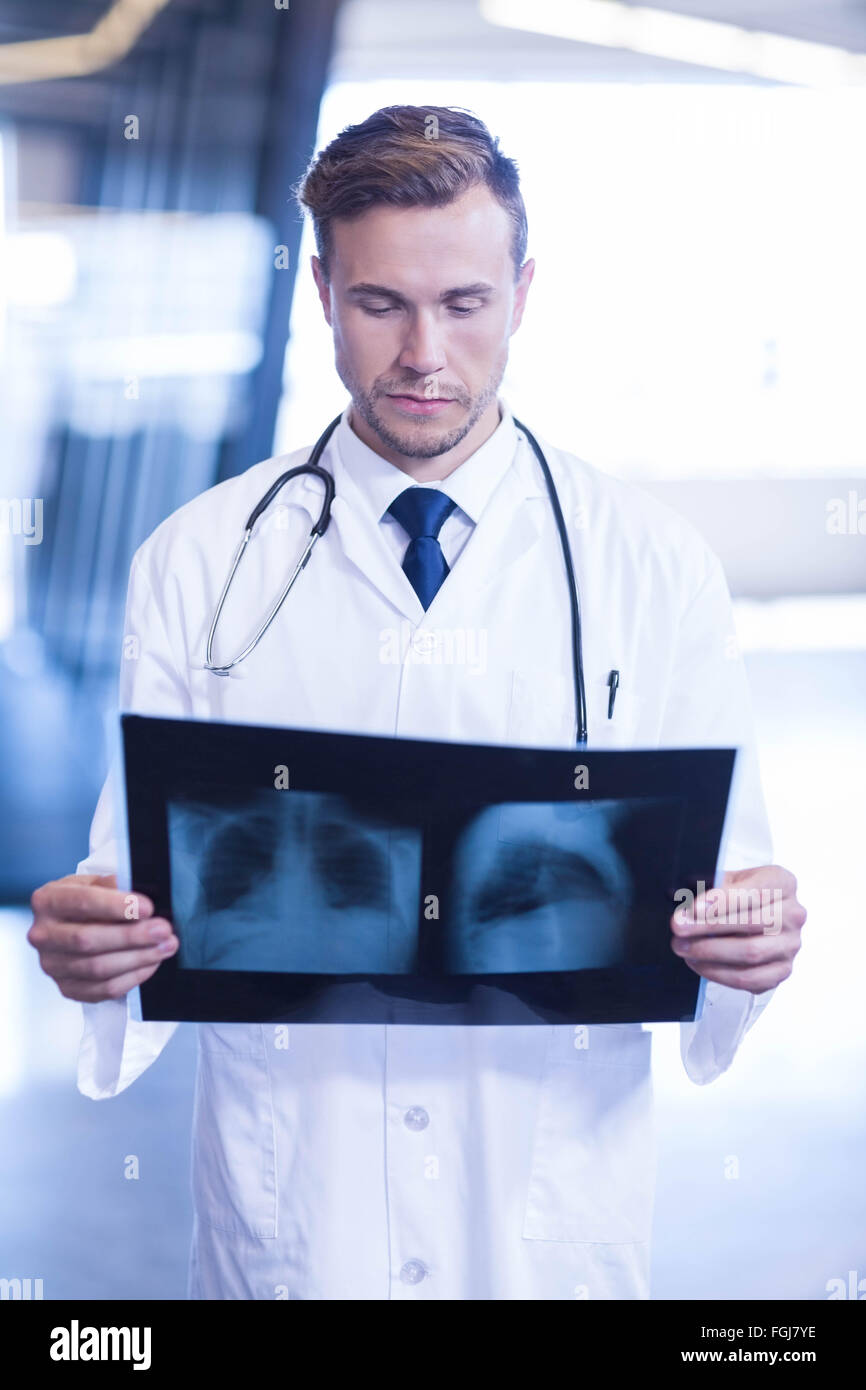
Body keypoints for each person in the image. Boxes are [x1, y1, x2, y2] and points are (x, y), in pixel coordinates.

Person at [27, 105, 806, 1301]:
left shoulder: (650, 566)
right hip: (296, 1214)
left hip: (543, 1219)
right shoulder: (196, 560)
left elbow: (729, 883)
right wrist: (97, 946)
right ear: (322, 292)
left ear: (523, 291)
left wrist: (747, 941)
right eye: (380, 303)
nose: (423, 355)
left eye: (464, 304)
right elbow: (133, 889)